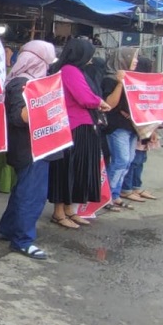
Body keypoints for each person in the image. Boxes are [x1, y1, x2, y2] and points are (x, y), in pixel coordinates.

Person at [0, 40, 59, 259]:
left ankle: (7, 229)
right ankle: (22, 240)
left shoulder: (33, 82)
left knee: (23, 190)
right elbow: (18, 117)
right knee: (32, 195)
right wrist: (43, 103)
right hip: (30, 147)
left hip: (39, 145)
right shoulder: (21, 83)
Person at [47, 38, 111, 227]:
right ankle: (59, 212)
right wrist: (99, 102)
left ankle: (69, 210)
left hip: (83, 125)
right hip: (74, 127)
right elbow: (84, 97)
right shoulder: (69, 70)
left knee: (77, 170)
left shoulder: (77, 70)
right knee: (68, 170)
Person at [100, 47, 139, 210]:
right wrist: (120, 83)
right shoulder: (109, 79)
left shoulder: (134, 78)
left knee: (128, 161)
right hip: (117, 127)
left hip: (132, 127)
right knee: (120, 160)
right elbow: (109, 104)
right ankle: (105, 197)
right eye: (133, 58)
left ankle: (115, 195)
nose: (136, 61)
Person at [122, 57, 163, 202]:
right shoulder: (133, 85)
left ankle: (136, 186)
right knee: (134, 160)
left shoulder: (145, 86)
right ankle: (127, 188)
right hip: (139, 128)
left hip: (146, 128)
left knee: (141, 159)